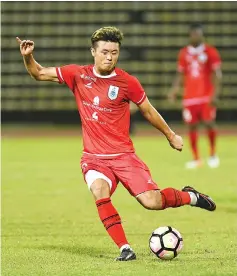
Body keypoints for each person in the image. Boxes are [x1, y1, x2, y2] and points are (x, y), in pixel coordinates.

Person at [16, 26, 216, 261]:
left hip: (124, 156)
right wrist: (28, 57)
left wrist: (170, 135)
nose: (109, 57)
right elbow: (39, 73)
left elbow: (148, 111)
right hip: (93, 158)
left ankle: (190, 197)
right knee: (99, 192)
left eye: (114, 52)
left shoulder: (127, 82)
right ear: (93, 51)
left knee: (152, 202)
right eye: (104, 52)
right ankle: (125, 248)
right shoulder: (77, 74)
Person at [169, 23, 222, 169]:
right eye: (194, 34)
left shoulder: (210, 51)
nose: (196, 36)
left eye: (198, 34)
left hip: (206, 95)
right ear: (190, 35)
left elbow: (217, 75)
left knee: (209, 123)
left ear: (202, 35)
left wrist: (215, 94)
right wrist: (174, 90)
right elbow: (180, 73)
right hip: (190, 97)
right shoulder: (184, 53)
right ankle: (196, 158)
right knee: (191, 126)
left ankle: (212, 154)